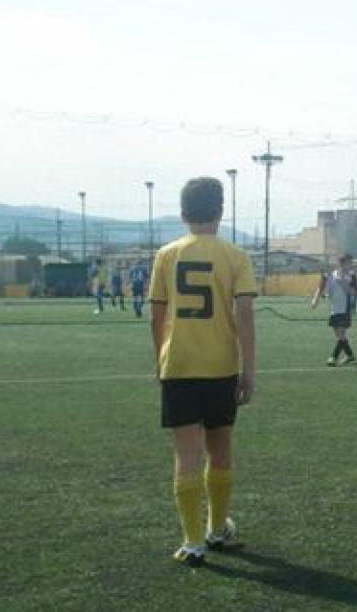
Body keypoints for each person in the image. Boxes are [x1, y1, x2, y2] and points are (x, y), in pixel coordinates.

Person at [148, 176, 257, 567]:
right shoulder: (235, 256)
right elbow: (245, 316)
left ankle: (193, 542)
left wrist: (160, 360)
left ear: (182, 214)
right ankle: (216, 529)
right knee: (220, 450)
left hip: (178, 365)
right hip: (221, 366)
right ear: (221, 212)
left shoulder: (166, 255)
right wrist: (248, 369)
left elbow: (156, 315)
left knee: (186, 453)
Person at [311, 254, 357, 366]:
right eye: (348, 263)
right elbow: (321, 288)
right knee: (339, 336)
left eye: (351, 263)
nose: (350, 265)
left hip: (345, 309)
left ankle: (333, 358)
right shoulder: (331, 276)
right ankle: (350, 355)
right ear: (341, 264)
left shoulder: (352, 277)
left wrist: (342, 282)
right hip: (334, 309)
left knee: (341, 334)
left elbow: (353, 292)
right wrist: (315, 300)